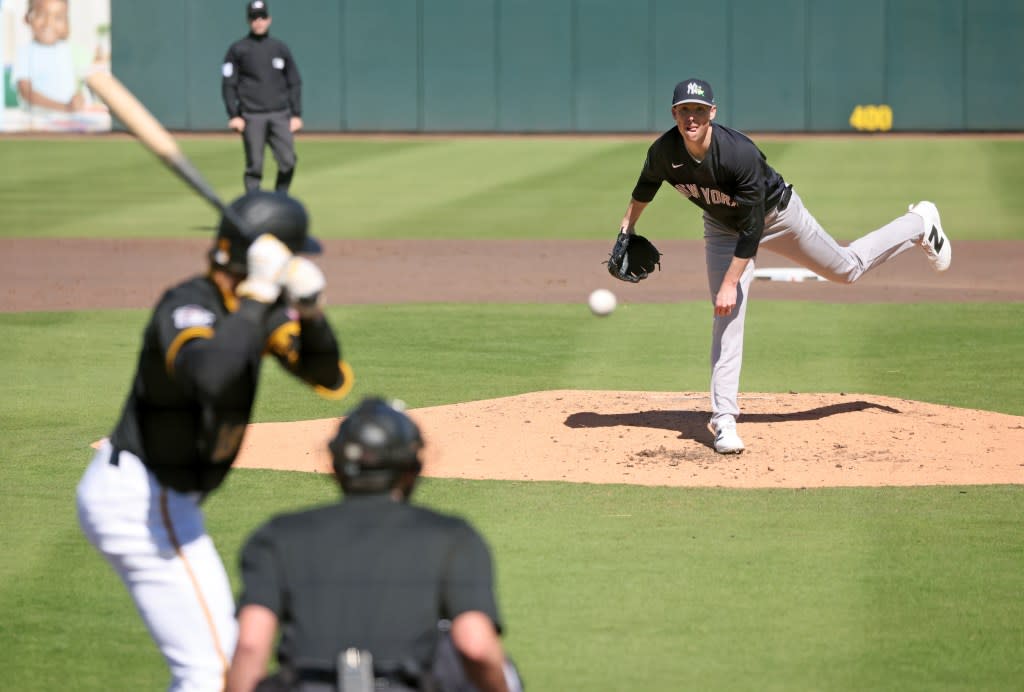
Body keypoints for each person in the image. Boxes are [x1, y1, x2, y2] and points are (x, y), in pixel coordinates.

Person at [76, 190, 354, 691]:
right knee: (214, 669)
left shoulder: (254, 312)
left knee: (222, 658)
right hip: (140, 498)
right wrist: (257, 299)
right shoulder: (187, 306)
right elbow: (208, 375)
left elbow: (327, 376)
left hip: (165, 500)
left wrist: (311, 313)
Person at [616, 78, 951, 455]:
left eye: (698, 109)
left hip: (777, 217)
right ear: (673, 114)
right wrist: (626, 230)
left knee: (846, 270)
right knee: (727, 316)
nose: (690, 117)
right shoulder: (664, 151)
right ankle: (724, 419)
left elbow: (753, 226)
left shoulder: (738, 154)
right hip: (721, 227)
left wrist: (731, 281)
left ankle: (919, 223)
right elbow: (644, 188)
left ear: (712, 112)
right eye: (683, 110)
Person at [227, 397, 523, 692]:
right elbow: (476, 647)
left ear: (335, 465)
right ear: (412, 469)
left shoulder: (279, 535)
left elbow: (251, 646)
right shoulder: (453, 537)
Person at [221, 0, 303, 193]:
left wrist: (296, 114)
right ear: (248, 21)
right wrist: (233, 115)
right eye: (254, 18)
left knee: (288, 161)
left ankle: (280, 199)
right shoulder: (238, 50)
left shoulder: (280, 48)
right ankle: (254, 209)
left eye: (262, 17)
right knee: (255, 166)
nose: (258, 22)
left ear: (269, 20)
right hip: (252, 115)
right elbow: (228, 84)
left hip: (279, 114)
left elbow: (294, 81)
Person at [12, 0, 85, 113]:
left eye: (58, 18)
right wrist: (63, 107)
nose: (48, 23)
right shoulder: (25, 52)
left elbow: (77, 86)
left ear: (66, 23)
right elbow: (25, 91)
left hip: (67, 119)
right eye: (41, 15)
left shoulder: (68, 50)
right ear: (27, 18)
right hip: (36, 121)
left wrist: (78, 99)